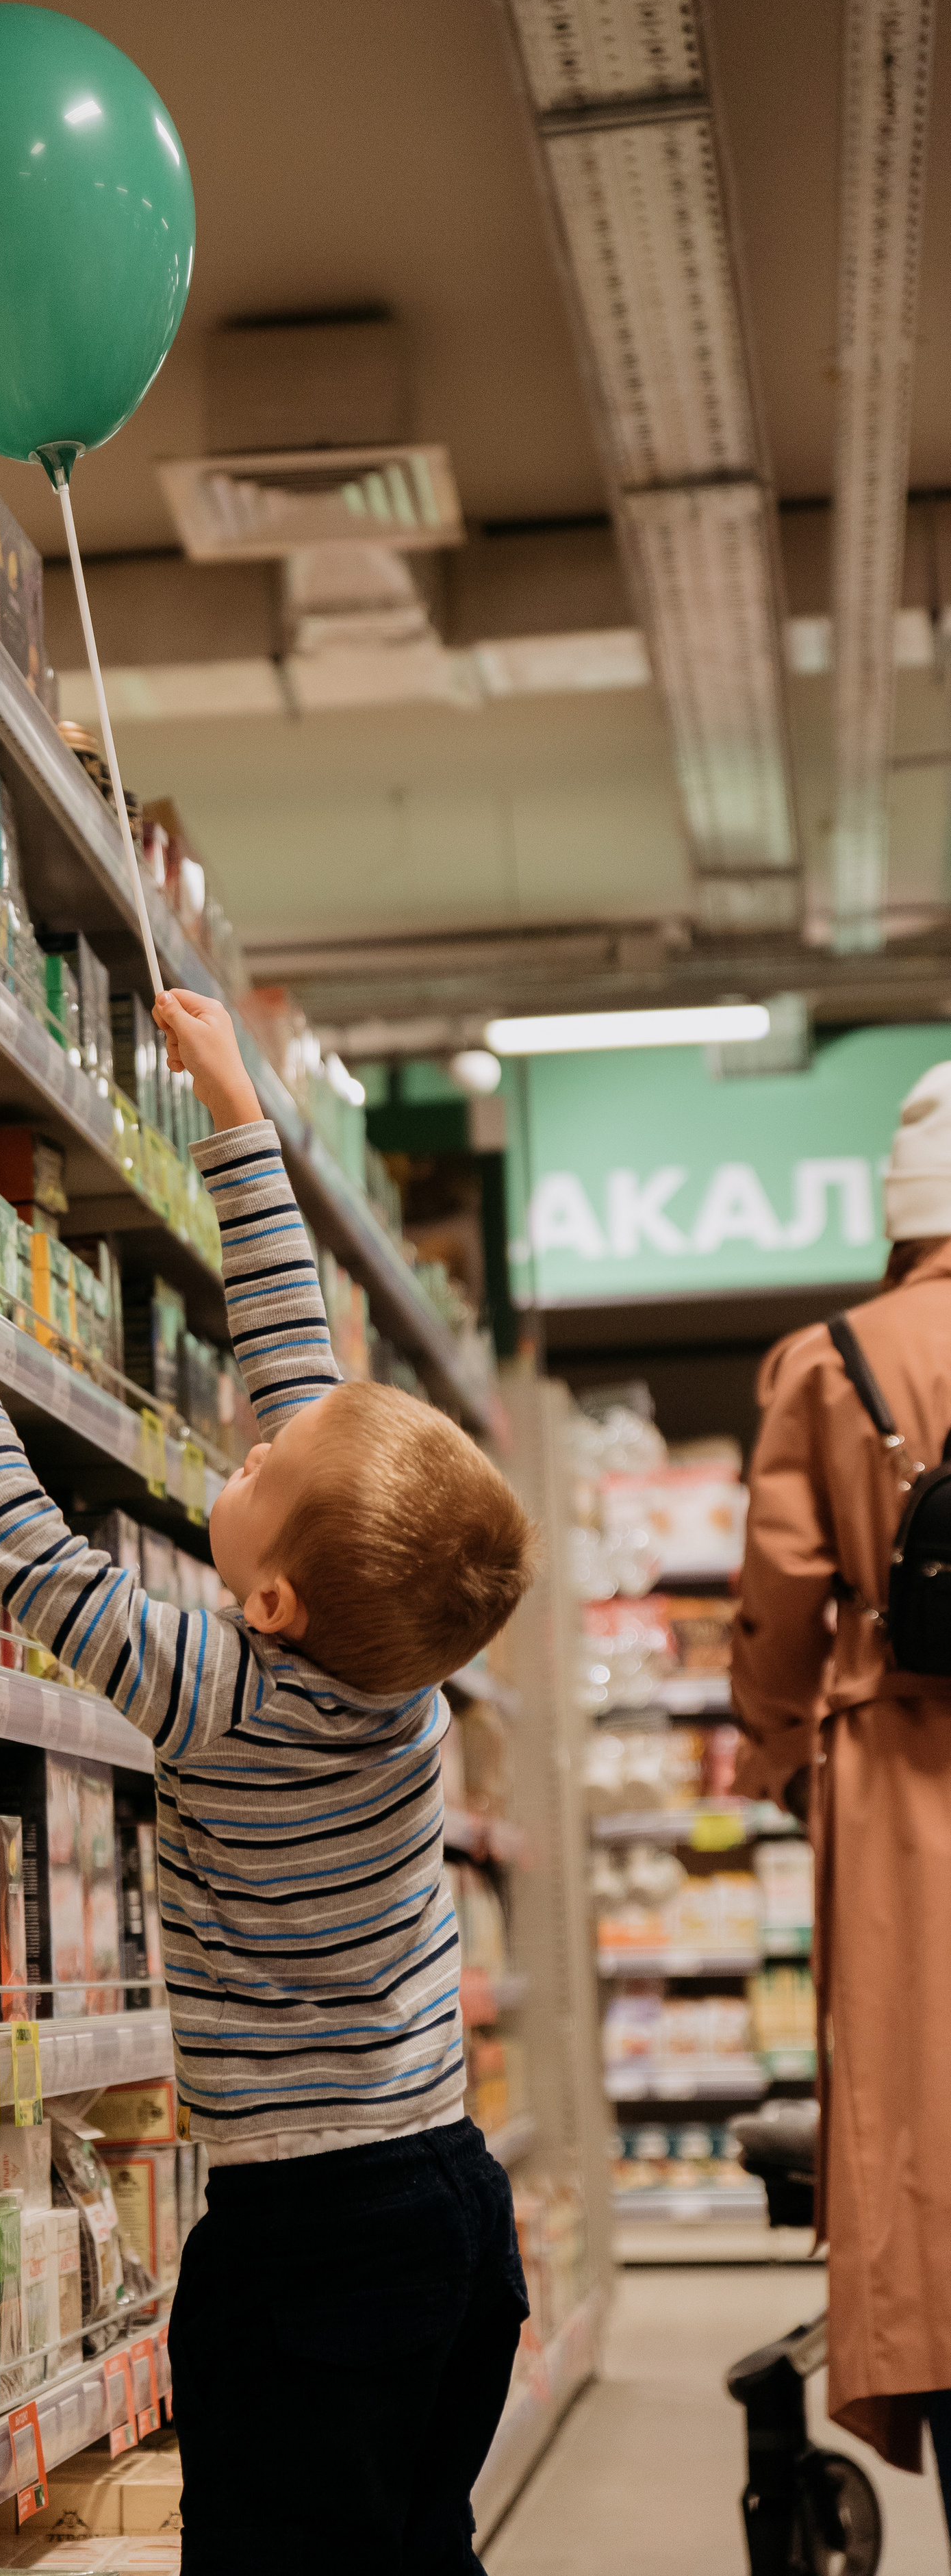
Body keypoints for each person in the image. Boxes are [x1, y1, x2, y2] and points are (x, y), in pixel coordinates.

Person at [0, 987, 537, 2573]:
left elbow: (21, 1547)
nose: (244, 1448)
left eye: (253, 1473)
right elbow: (295, 1370)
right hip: (449, 2204)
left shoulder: (213, 1690)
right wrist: (233, 1113)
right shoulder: (406, 1694)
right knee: (411, 2545)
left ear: (270, 1601)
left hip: (307, 2244)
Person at [734, 1059, 951, 2518]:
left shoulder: (830, 1361)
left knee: (916, 2115)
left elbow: (779, 1601)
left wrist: (786, 1761)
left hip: (901, 1782)